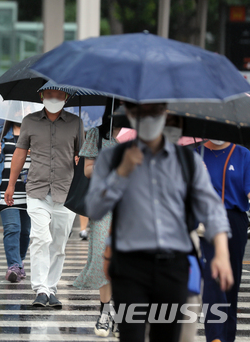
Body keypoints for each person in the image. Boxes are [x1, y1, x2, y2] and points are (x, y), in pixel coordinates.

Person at [86, 102, 234, 342]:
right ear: (130, 114)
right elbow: (94, 208)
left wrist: (222, 252)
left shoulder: (187, 161)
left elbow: (212, 208)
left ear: (165, 111)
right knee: (131, 336)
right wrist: (121, 174)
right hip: (130, 267)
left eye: (154, 111)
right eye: (141, 112)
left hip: (173, 267)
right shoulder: (112, 158)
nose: (149, 118)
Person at [5, 87, 83, 308]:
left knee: (59, 244)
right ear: (41, 96)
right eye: (49, 94)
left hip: (66, 191)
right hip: (37, 190)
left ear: (66, 97)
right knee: (40, 238)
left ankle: (52, 288)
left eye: (59, 95)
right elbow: (20, 153)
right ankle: (40, 289)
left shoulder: (76, 123)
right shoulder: (30, 121)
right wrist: (11, 184)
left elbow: (83, 154)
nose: (54, 98)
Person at [73, 100, 122, 337]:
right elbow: (87, 170)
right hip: (103, 206)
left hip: (130, 207)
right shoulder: (96, 135)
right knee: (104, 258)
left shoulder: (136, 138)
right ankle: (104, 312)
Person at [199, 137, 250, 342]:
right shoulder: (196, 155)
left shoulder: (243, 154)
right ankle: (215, 337)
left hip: (234, 221)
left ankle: (228, 337)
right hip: (204, 223)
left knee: (230, 283)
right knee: (211, 282)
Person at [0, 121, 31, 283]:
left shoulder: (34, 131)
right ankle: (14, 265)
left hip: (29, 189)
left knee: (25, 232)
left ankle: (19, 262)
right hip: (5, 189)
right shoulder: (0, 133)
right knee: (12, 227)